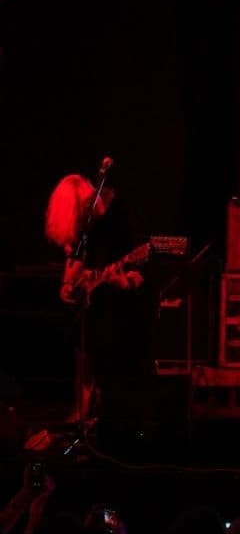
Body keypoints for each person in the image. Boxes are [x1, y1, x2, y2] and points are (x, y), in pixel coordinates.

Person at [44, 169, 148, 421]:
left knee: (103, 345)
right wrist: (67, 284)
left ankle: (104, 410)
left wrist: (121, 279)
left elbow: (137, 267)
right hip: (92, 299)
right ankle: (84, 406)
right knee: (80, 345)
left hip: (118, 301)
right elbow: (76, 256)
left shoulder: (117, 216)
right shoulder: (85, 223)